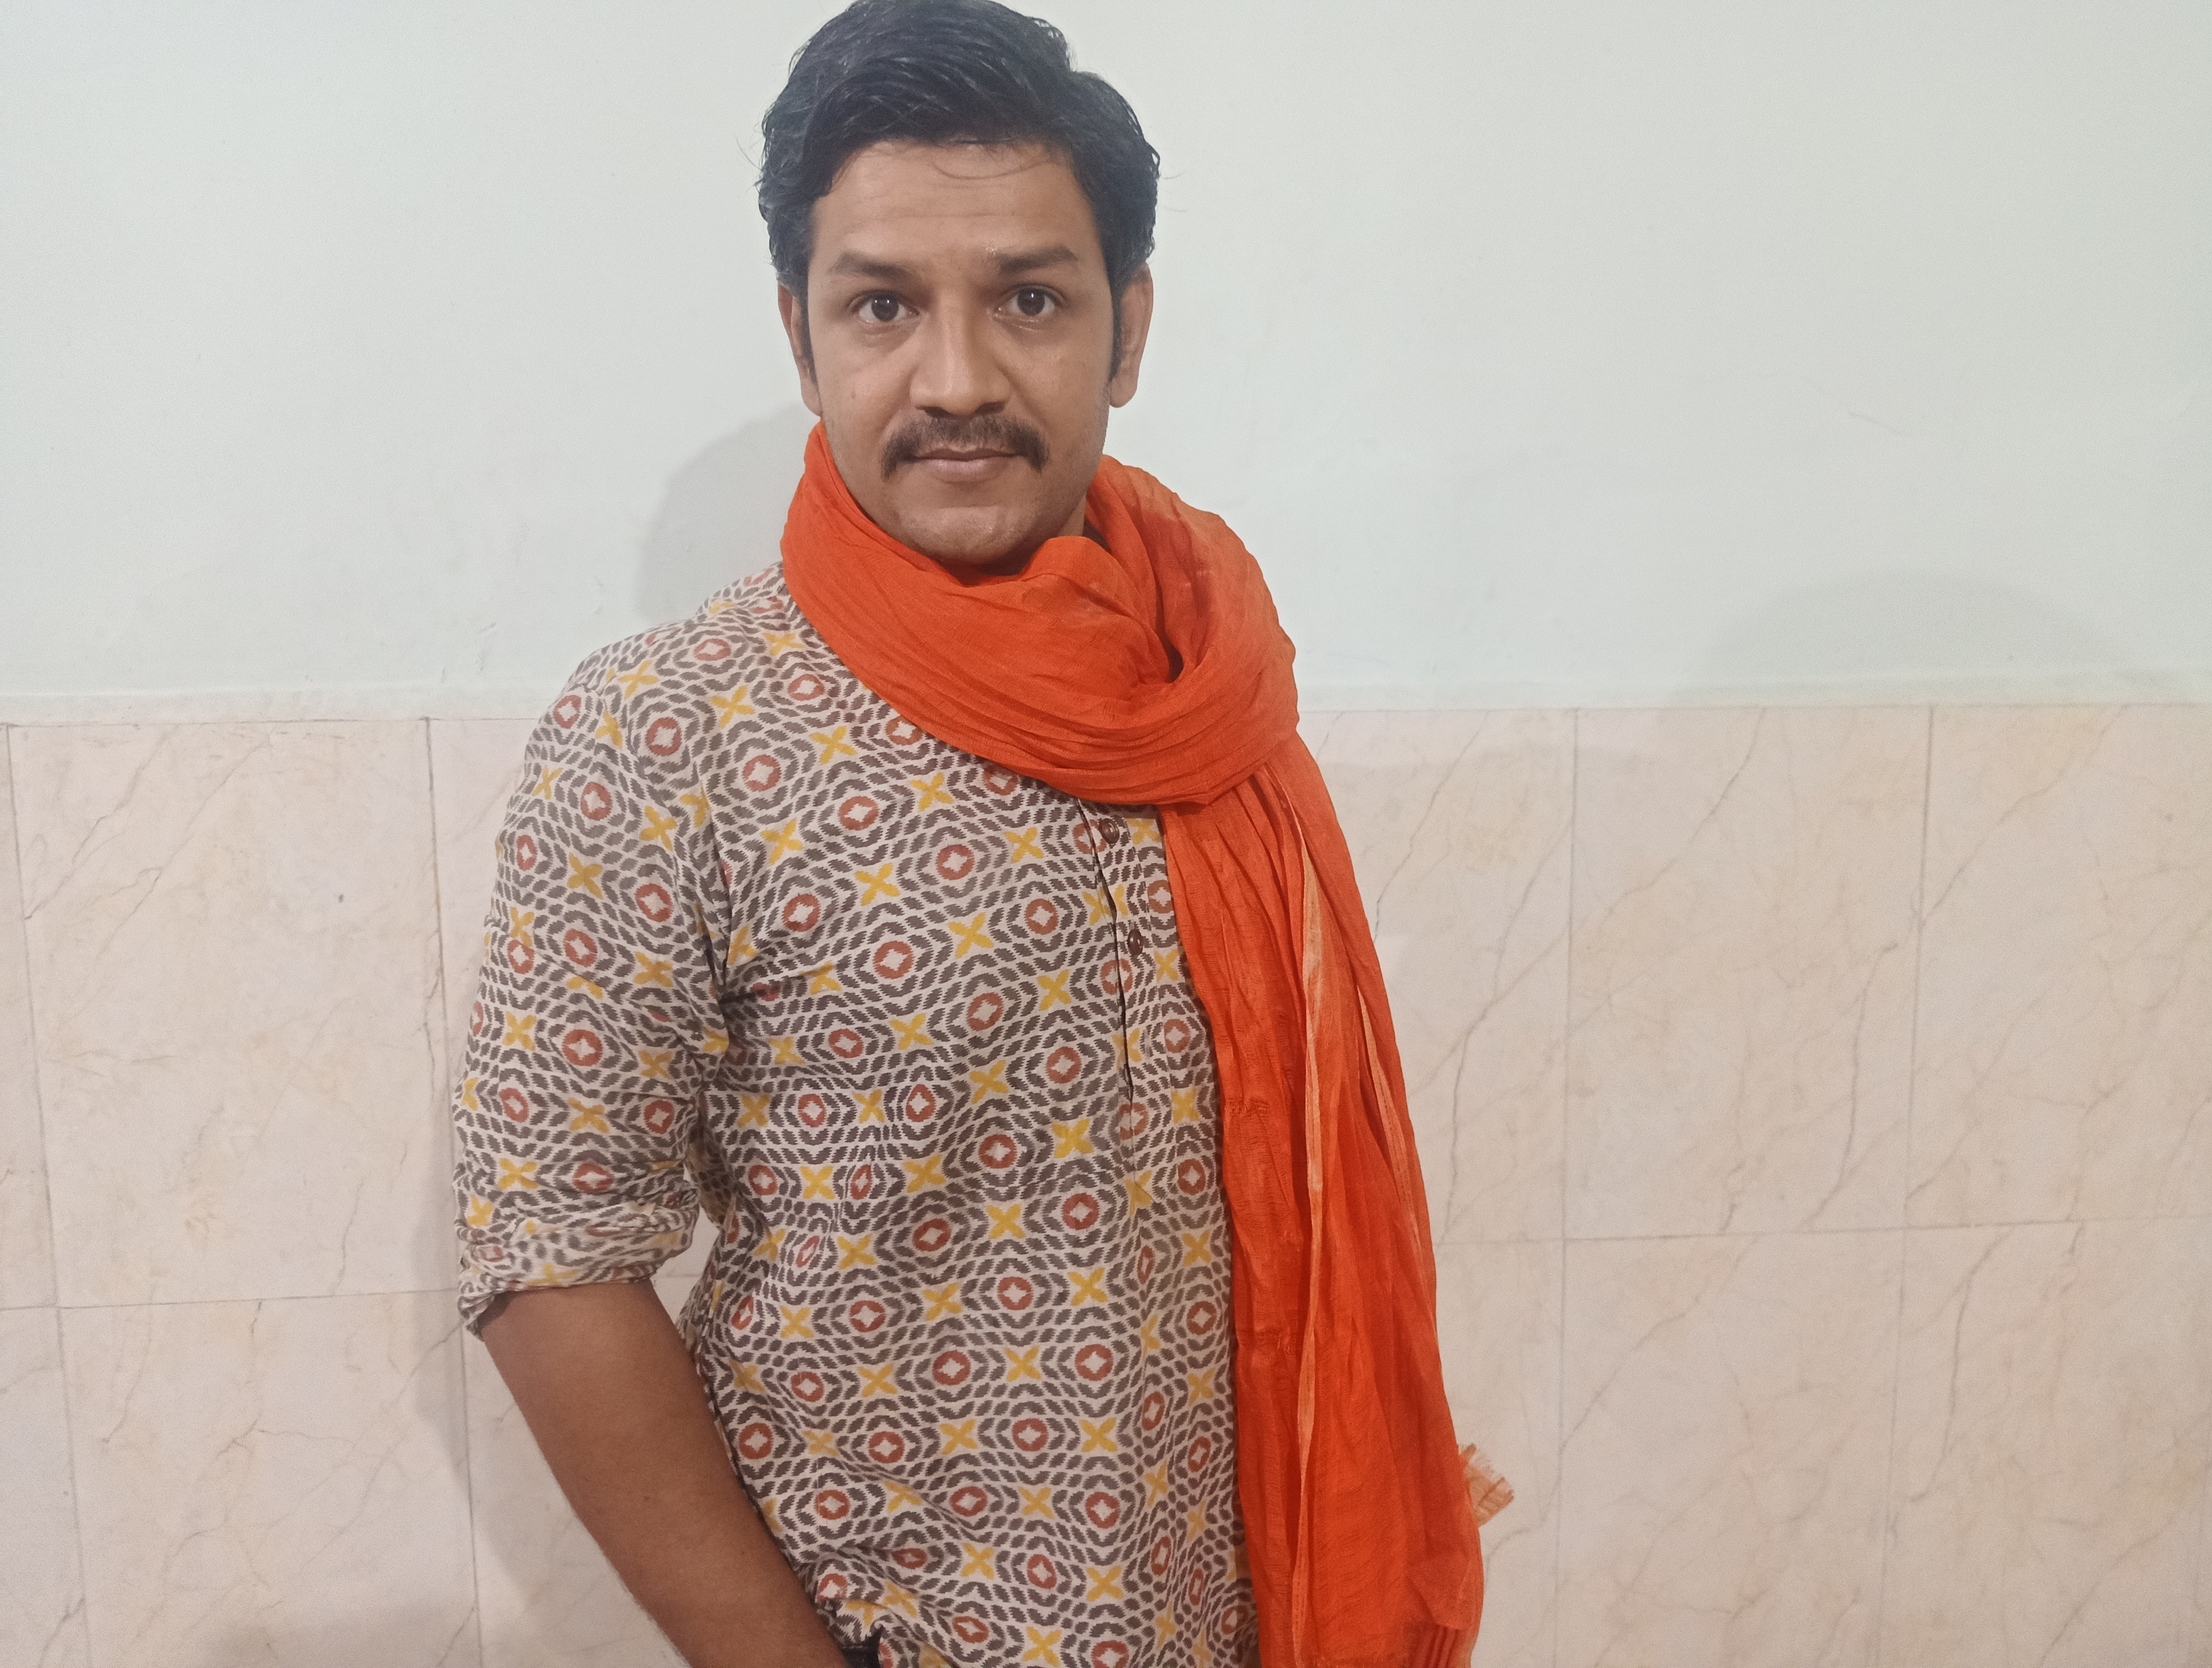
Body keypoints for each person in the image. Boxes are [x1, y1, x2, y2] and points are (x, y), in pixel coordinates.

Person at [450, 4, 1502, 1666]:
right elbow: (548, 1250)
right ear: (801, 336)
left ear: (1127, 327)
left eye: (1028, 299)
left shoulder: (1207, 680)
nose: (957, 381)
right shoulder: (666, 735)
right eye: (884, 305)